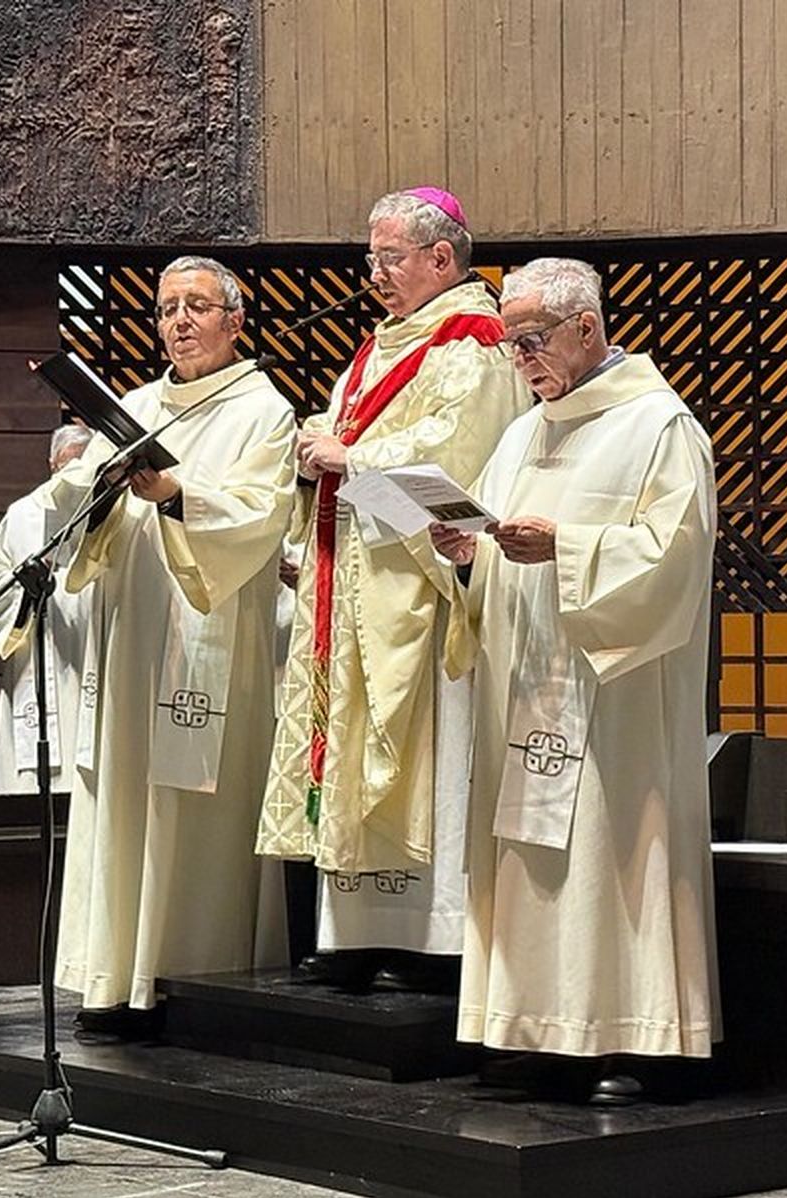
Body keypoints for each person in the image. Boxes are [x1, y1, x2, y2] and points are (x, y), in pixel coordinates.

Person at [431, 258, 720, 1105]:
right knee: (528, 859)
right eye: (510, 341)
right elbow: (493, 545)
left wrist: (566, 547)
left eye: (531, 339)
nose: (519, 357)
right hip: (524, 686)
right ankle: (533, 1029)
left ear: (586, 329)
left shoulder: (659, 427)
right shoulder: (522, 434)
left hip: (613, 695)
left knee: (609, 855)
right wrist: (468, 555)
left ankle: (628, 1038)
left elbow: (676, 556)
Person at [257, 187, 530, 991]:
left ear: (442, 258)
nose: (373, 274)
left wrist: (346, 456)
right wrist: (316, 451)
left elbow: (459, 449)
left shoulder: (473, 342)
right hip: (357, 583)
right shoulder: (379, 346)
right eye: (370, 258)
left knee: (422, 752)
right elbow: (357, 444)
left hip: (419, 587)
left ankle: (428, 941)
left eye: (389, 258)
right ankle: (354, 933)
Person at [49, 255, 296, 1036]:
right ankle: (116, 980)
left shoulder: (264, 410)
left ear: (235, 319)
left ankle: (193, 978)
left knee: (192, 810)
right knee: (126, 801)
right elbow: (66, 500)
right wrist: (102, 487)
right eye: (166, 309)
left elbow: (260, 519)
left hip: (209, 637)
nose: (179, 321)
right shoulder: (137, 402)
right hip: (134, 639)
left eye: (197, 306)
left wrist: (178, 492)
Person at [0, 423, 94, 794]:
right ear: (51, 466)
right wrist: (21, 587)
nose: (74, 476)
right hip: (40, 648)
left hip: (96, 649)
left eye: (83, 464)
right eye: (66, 466)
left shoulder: (119, 514)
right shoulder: (23, 513)